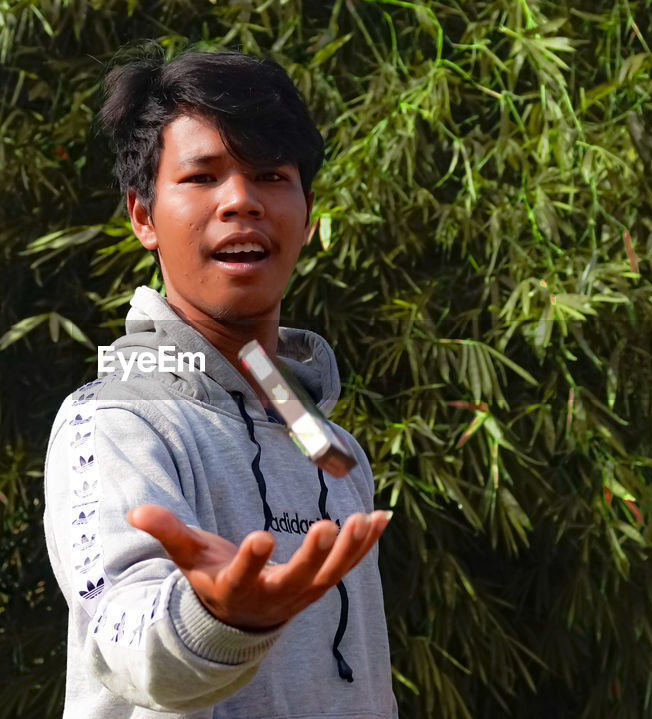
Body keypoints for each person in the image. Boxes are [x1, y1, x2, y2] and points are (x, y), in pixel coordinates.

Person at [42, 46, 397, 718]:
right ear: (142, 216)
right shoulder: (113, 419)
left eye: (269, 173)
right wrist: (218, 617)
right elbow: (122, 635)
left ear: (308, 212)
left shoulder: (334, 449)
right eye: (202, 176)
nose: (240, 200)